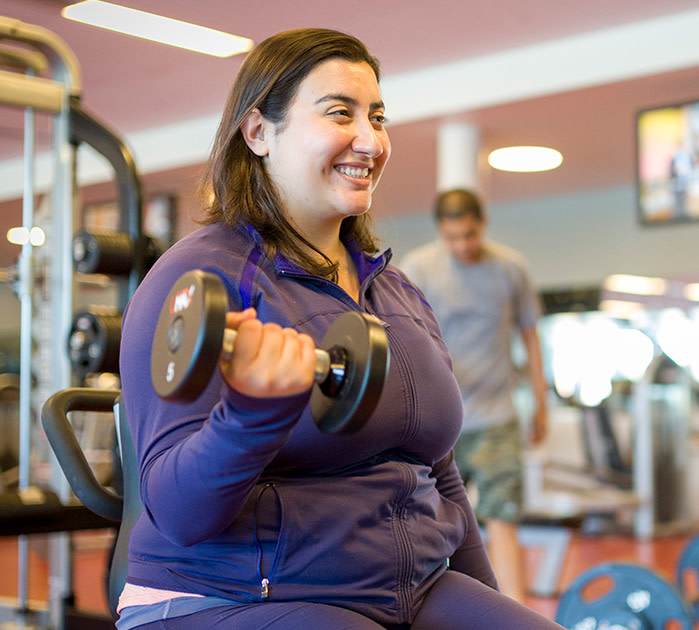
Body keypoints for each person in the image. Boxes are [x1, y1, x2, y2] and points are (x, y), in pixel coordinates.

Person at [116, 28, 563, 630]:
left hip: (410, 589)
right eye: (339, 113)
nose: (369, 139)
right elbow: (178, 512)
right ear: (258, 133)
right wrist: (254, 411)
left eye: (377, 117)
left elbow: (441, 473)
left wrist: (491, 606)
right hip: (235, 595)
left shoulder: (396, 292)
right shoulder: (197, 278)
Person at [398, 189, 549, 604]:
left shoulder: (509, 269)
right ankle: (445, 609)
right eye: (452, 238)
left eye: (468, 235)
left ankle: (516, 609)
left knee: (504, 516)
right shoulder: (419, 269)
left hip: (497, 415)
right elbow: (403, 338)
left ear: (481, 224)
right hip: (441, 420)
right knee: (435, 522)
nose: (462, 245)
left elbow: (531, 337)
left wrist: (541, 401)